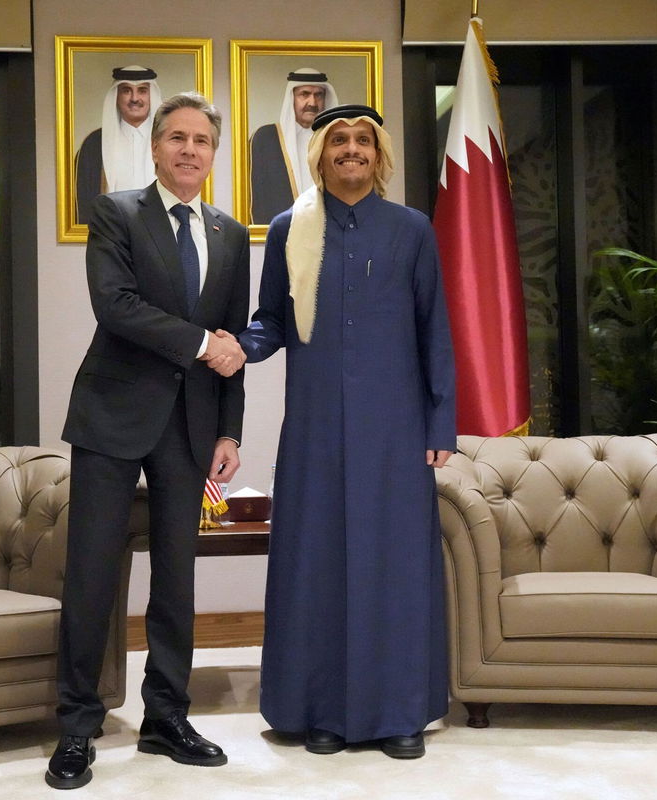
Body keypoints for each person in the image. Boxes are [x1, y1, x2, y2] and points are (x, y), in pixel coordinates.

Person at [238, 104, 456, 759]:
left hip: (396, 429)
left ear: (379, 154)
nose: (352, 150)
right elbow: (269, 321)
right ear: (321, 155)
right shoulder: (288, 230)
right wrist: (230, 347)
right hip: (315, 432)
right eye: (340, 141)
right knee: (319, 565)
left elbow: (434, 330)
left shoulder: (412, 230)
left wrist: (441, 420)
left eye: (363, 141)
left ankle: (399, 715)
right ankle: (321, 711)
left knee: (396, 568)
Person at [48, 92, 250, 791]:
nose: (190, 150)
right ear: (156, 147)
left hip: (191, 427)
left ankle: (166, 716)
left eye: (202, 140)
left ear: (212, 153)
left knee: (177, 578)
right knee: (94, 575)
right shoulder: (116, 212)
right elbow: (117, 305)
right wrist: (201, 343)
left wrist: (230, 427)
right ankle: (78, 725)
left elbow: (233, 341)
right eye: (177, 138)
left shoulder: (229, 233)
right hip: (112, 417)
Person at [74, 65, 163, 223]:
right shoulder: (94, 144)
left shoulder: (167, 142)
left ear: (152, 96)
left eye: (142, 90)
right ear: (116, 96)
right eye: (126, 90)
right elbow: (84, 204)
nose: (134, 98)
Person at [248, 69, 338, 224]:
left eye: (319, 95)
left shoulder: (337, 141)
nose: (312, 103)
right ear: (292, 98)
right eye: (304, 94)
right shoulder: (265, 138)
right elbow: (257, 198)